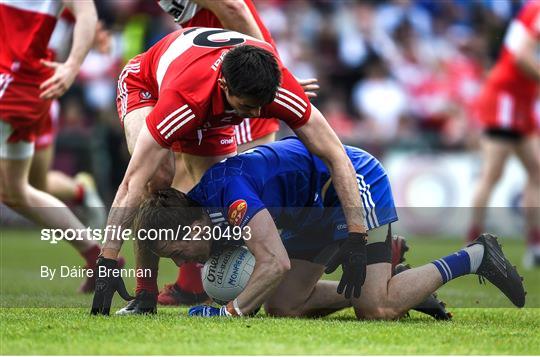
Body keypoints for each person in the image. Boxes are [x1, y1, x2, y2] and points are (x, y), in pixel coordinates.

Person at [91, 28, 368, 314]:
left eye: (263, 106)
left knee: (219, 209)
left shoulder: (275, 91)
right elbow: (130, 183)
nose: (257, 115)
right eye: (248, 107)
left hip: (214, 96)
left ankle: (220, 294)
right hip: (148, 84)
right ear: (224, 85)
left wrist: (357, 235)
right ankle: (144, 293)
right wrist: (108, 259)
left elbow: (337, 156)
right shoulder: (185, 100)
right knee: (155, 178)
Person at [114, 137, 524, 318]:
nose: (184, 262)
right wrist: (144, 291)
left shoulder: (231, 199)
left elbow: (274, 263)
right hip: (306, 207)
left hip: (348, 183)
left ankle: (476, 255)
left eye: (180, 253)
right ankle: (399, 284)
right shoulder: (192, 213)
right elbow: (152, 236)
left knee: (376, 310)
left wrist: (231, 311)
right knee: (283, 306)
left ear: (194, 227)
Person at [155, 0, 317, 306]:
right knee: (207, 184)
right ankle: (199, 281)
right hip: (227, 77)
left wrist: (272, 78)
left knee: (230, 193)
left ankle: (208, 285)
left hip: (235, 88)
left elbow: (234, 10)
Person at [0, 0, 103, 292]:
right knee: (23, 188)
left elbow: (87, 13)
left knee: (19, 189)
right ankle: (96, 255)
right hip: (31, 85)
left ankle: (96, 255)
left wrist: (71, 67)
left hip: (18, 85)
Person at [469, 0, 540, 268]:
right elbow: (522, 57)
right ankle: (473, 244)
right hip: (506, 99)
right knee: (493, 173)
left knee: (536, 170)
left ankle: (535, 244)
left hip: (522, 99)